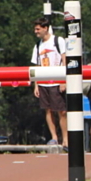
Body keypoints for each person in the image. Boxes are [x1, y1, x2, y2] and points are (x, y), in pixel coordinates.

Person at [31, 16, 67, 148]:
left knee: (62, 111)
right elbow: (37, 65)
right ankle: (54, 137)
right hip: (43, 82)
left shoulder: (58, 40)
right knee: (48, 110)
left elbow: (65, 59)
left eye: (38, 29)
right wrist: (36, 84)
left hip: (57, 81)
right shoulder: (38, 45)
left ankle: (66, 139)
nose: (36, 32)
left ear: (45, 28)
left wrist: (64, 80)